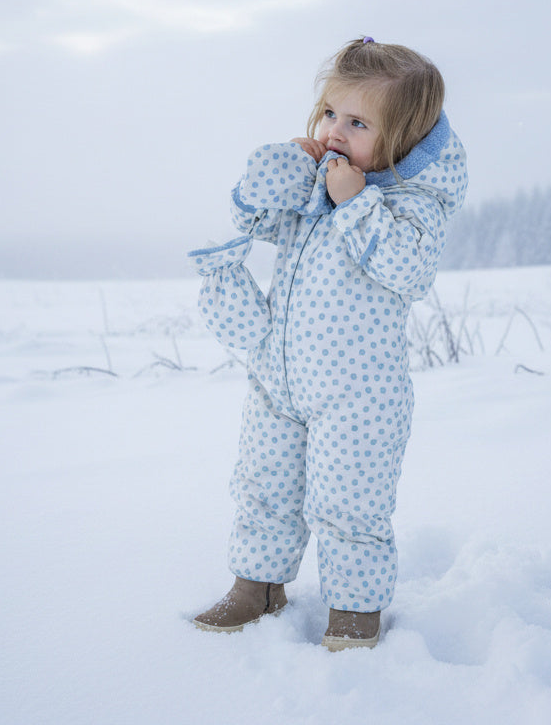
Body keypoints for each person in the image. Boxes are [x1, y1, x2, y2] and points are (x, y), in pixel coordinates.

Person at [188, 36, 468, 650]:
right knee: (264, 486)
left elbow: (409, 270)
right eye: (329, 114)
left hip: (358, 394)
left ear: (403, 139)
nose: (336, 131)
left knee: (349, 503)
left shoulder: (413, 203)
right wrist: (279, 172)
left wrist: (357, 203)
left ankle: (354, 616)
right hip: (280, 379)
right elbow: (251, 221)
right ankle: (255, 587)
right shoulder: (318, 181)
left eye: (359, 122)